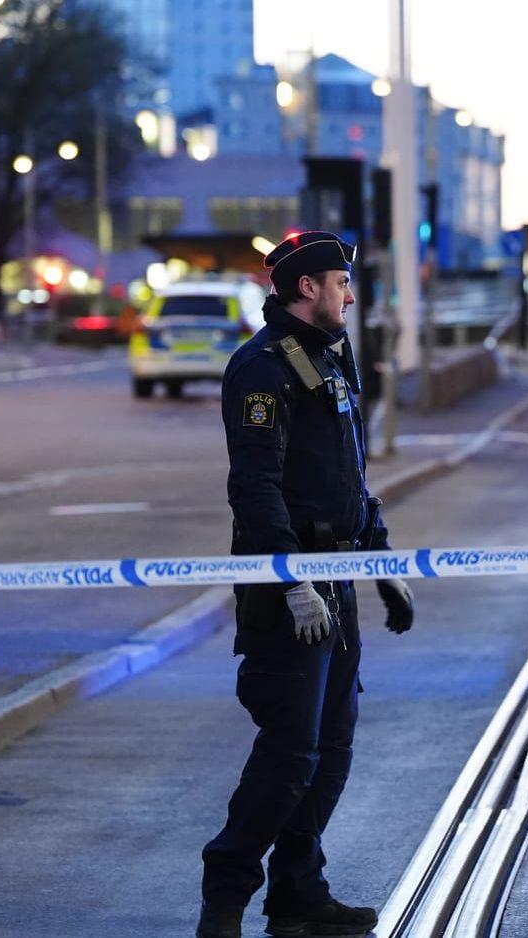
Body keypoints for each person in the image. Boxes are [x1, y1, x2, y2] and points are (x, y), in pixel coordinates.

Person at [198, 231, 416, 938]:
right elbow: (253, 485)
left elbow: (347, 478)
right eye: (339, 281)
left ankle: (299, 896)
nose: (349, 294)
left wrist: (380, 565)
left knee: (330, 750)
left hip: (340, 579)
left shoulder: (327, 360)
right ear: (304, 289)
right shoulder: (260, 369)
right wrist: (292, 580)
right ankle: (223, 898)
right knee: (289, 755)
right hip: (289, 590)